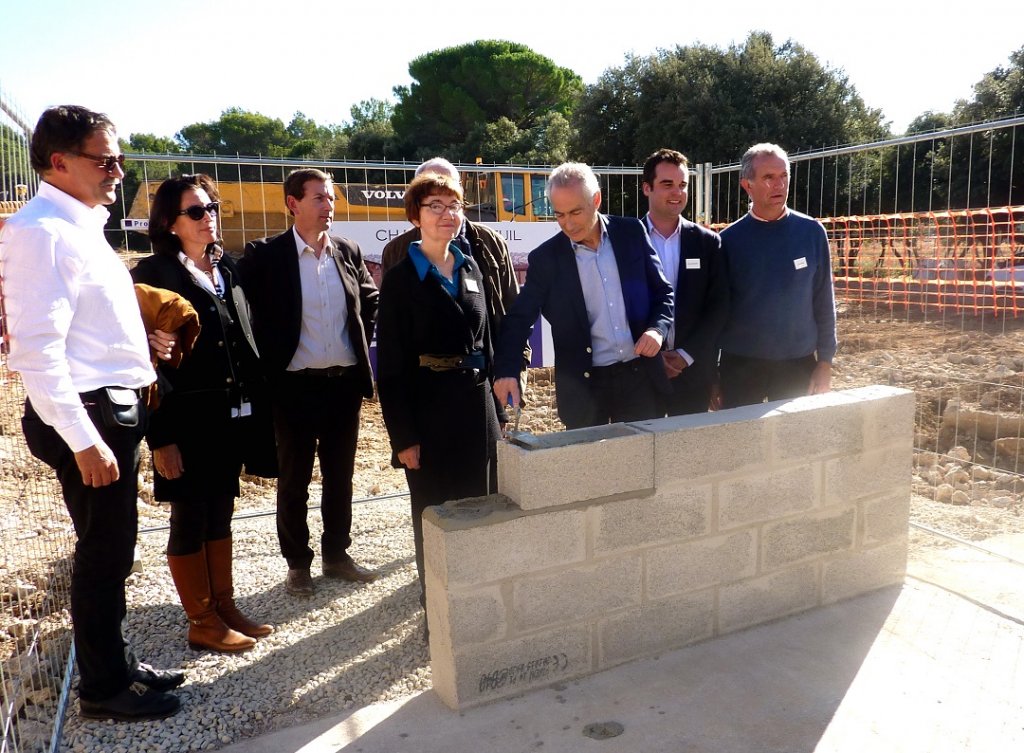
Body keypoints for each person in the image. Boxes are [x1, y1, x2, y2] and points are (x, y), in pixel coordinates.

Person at [0, 105, 182, 721]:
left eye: (119, 158)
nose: (118, 169)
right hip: (87, 417)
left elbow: (90, 327)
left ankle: (117, 664)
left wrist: (143, 348)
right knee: (104, 553)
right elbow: (37, 352)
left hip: (110, 409)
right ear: (60, 162)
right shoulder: (40, 232)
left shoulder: (81, 225)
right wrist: (82, 439)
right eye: (105, 159)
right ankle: (103, 689)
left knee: (115, 548)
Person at [131, 174, 276, 652]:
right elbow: (144, 367)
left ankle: (224, 605)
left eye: (211, 208)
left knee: (221, 509)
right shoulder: (152, 277)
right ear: (170, 223)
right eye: (195, 211)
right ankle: (201, 619)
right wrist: (161, 439)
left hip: (228, 416)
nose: (208, 217)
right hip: (184, 421)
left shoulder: (224, 268)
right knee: (189, 516)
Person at [239, 168, 379, 596]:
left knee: (341, 477)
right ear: (292, 204)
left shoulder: (347, 250)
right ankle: (298, 564)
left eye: (332, 199)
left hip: (342, 387)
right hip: (293, 389)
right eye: (319, 198)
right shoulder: (264, 256)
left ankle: (337, 555)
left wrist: (358, 341)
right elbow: (242, 312)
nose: (329, 206)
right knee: (294, 478)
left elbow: (369, 298)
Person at [376, 173, 502, 611]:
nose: (448, 214)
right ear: (416, 216)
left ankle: (479, 605)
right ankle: (440, 611)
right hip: (428, 416)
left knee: (482, 509)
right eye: (436, 206)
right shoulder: (398, 281)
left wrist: (498, 416)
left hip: (476, 410)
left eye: (455, 205)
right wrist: (403, 438)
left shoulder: (470, 266)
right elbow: (389, 368)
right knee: (434, 516)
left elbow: (485, 342)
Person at [493, 162, 674, 429]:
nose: (568, 223)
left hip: (640, 377)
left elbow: (662, 292)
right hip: (585, 386)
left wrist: (657, 330)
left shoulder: (631, 233)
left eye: (576, 212)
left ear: (596, 200)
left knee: (643, 466)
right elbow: (519, 319)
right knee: (589, 469)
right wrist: (507, 370)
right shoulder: (546, 259)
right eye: (559, 214)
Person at [380, 157, 529, 383]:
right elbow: (392, 337)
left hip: (488, 383)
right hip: (424, 390)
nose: (445, 210)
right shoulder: (397, 251)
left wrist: (514, 374)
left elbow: (513, 314)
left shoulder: (491, 243)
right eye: (434, 200)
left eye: (451, 194)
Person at [717, 143, 837, 407]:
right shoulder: (727, 242)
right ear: (747, 185)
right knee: (742, 445)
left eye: (784, 176)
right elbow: (716, 313)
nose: (779, 185)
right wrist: (714, 375)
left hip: (798, 366)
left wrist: (825, 362)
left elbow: (824, 302)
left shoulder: (812, 233)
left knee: (795, 446)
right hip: (740, 369)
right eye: (768, 178)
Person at [641, 148, 729, 415]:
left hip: (693, 374)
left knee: (689, 453)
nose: (677, 192)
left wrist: (684, 356)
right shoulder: (627, 241)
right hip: (641, 374)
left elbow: (719, 307)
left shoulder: (707, 242)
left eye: (682, 185)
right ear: (647, 188)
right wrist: (654, 357)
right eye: (667, 184)